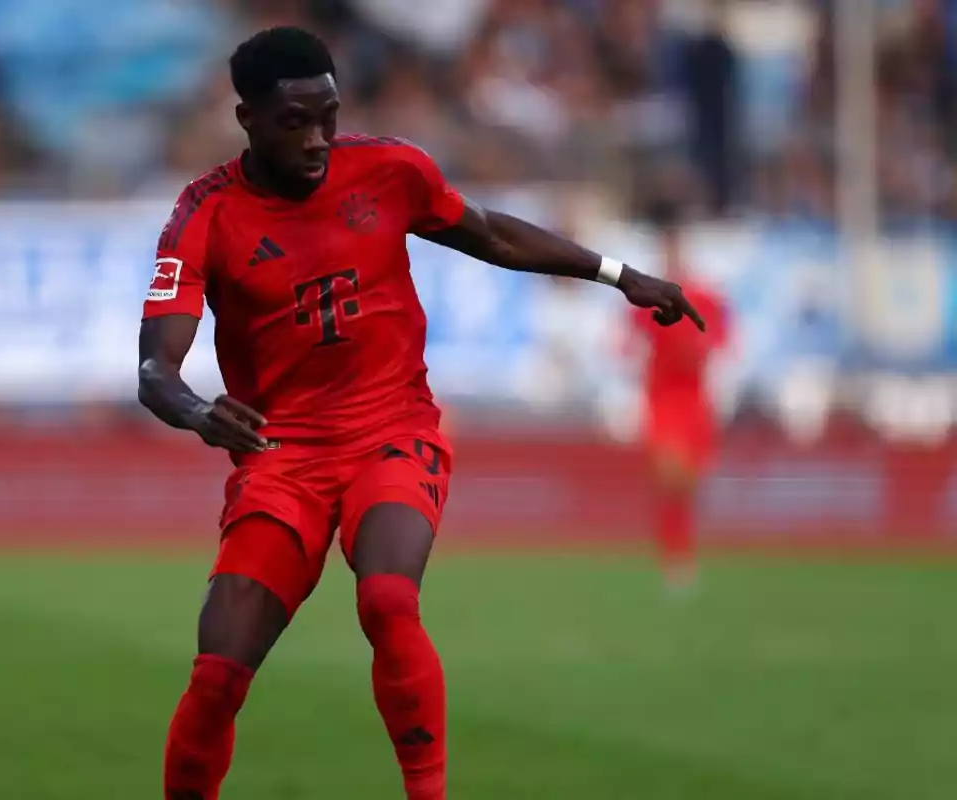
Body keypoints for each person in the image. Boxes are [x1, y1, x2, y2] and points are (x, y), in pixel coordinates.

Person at [137, 26, 705, 800]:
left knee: (389, 597)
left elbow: (491, 233)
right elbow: (154, 369)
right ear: (247, 120)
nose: (317, 139)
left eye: (328, 115)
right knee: (217, 674)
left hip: (390, 431)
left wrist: (617, 272)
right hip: (282, 458)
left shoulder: (388, 170)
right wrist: (200, 413)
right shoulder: (204, 213)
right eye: (294, 121)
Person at [628, 209, 729, 591]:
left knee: (687, 482)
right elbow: (628, 343)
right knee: (669, 474)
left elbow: (722, 338)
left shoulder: (704, 296)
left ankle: (682, 554)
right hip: (662, 397)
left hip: (695, 398)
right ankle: (675, 560)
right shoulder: (646, 296)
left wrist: (699, 350)